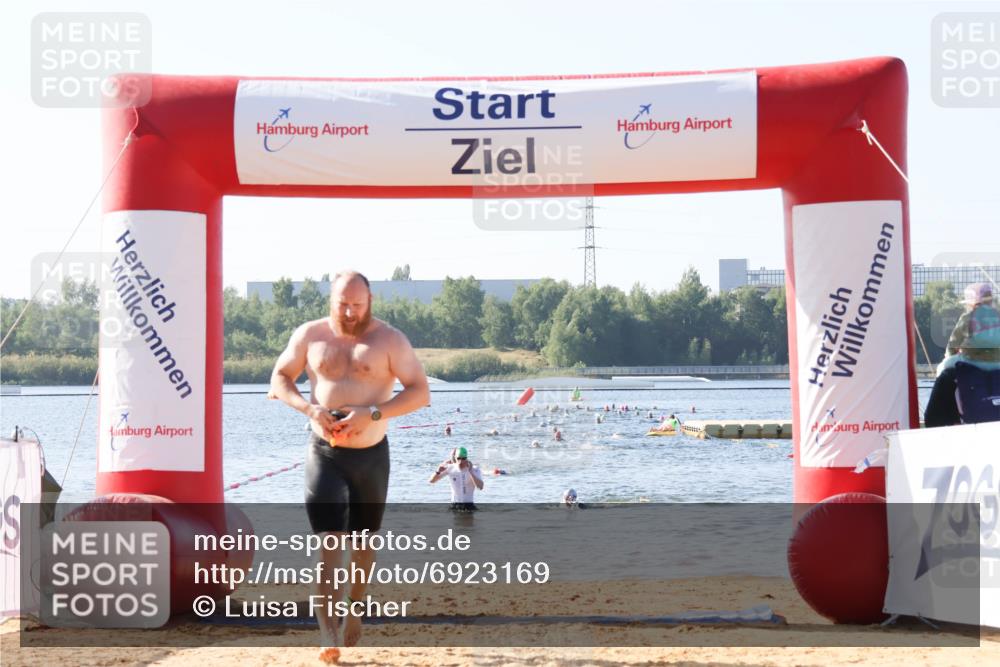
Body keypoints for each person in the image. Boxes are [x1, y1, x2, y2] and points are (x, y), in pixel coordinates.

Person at [269, 270, 430, 660]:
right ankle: (328, 634)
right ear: (331, 300)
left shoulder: (390, 340)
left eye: (357, 305)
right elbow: (279, 378)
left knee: (363, 545)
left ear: (369, 301)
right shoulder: (311, 335)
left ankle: (355, 608)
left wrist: (372, 414)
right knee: (329, 543)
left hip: (371, 455)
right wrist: (309, 408)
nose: (349, 311)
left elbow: (420, 393)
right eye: (343, 303)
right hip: (324, 453)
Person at [939, 282, 1000, 374]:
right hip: (997, 364)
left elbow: (953, 344)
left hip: (972, 362)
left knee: (943, 367)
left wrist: (949, 356)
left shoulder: (968, 317)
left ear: (972, 302)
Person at [429, 446, 484, 510]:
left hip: (469, 505)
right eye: (459, 458)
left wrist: (470, 471)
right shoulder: (450, 468)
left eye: (463, 458)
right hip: (455, 505)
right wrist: (438, 472)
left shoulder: (474, 469)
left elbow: (480, 487)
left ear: (467, 458)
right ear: (455, 458)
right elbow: (431, 481)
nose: (461, 461)